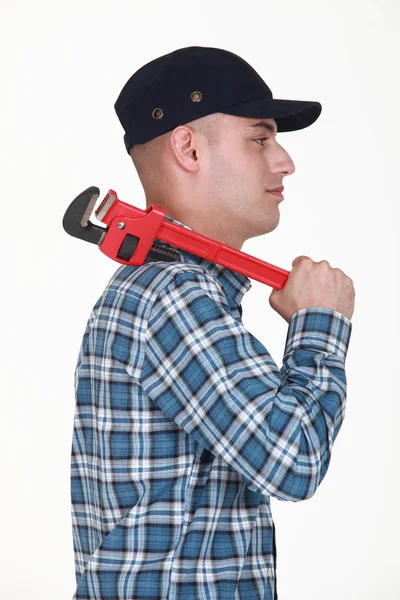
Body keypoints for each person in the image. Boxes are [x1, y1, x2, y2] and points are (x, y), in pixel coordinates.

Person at [70, 46, 355, 600]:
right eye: (260, 137)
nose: (285, 161)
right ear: (189, 147)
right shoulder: (174, 295)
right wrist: (320, 325)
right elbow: (291, 461)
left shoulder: (174, 291)